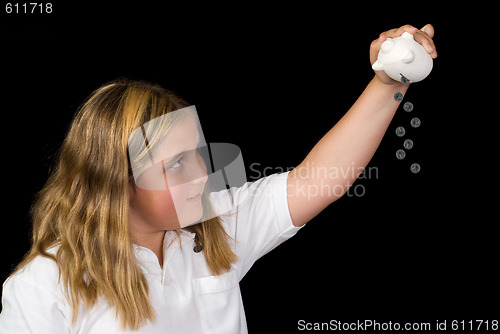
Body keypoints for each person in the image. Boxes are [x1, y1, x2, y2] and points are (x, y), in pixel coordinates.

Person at [0, 24, 437, 333]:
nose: (202, 176)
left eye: (198, 155)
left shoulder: (215, 228)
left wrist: (387, 82)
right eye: (176, 164)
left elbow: (320, 179)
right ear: (115, 180)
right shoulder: (43, 288)